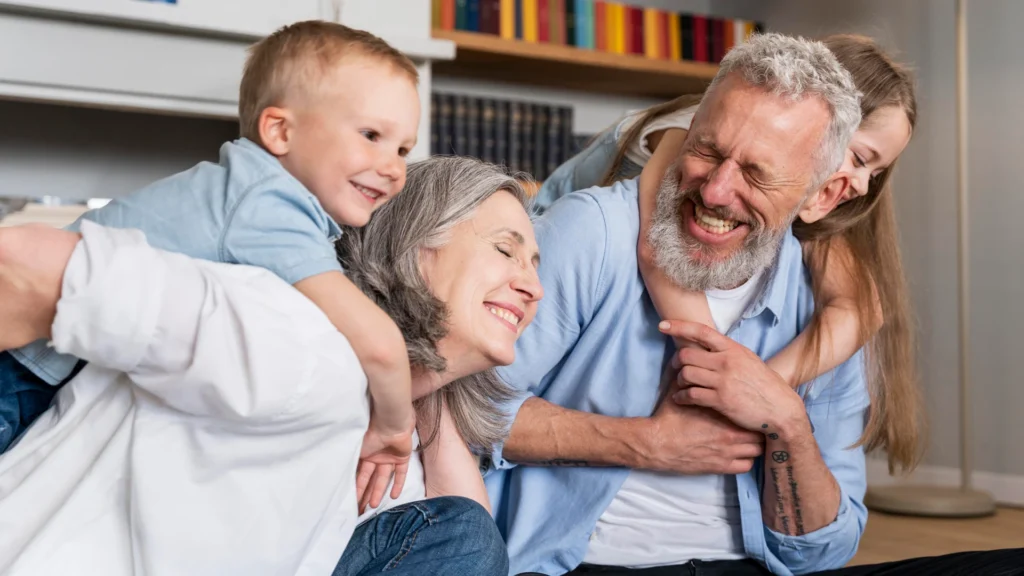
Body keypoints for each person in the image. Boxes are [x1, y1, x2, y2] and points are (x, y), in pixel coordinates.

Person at [485, 33, 1023, 576]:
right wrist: (648, 444)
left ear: (821, 192)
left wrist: (781, 413)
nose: (718, 189)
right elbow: (462, 407)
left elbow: (825, 550)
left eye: (871, 169)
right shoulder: (599, 226)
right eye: (709, 151)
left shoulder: (826, 293)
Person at [0, 156, 539, 576]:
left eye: (536, 265)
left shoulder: (395, 435)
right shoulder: (284, 329)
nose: (532, 285)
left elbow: (467, 538)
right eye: (505, 251)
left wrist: (423, 384)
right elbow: (26, 263)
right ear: (417, 248)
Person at [0, 21, 419, 484]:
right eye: (371, 136)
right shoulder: (269, 205)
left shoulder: (249, 192)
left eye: (403, 149)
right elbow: (379, 346)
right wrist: (396, 427)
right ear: (280, 131)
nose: (393, 168)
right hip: (20, 370)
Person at [537, 34, 921, 473]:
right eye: (858, 157)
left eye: (877, 170)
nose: (862, 183)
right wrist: (716, 387)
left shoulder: (805, 201)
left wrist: (763, 387)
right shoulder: (693, 133)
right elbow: (656, 252)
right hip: (536, 249)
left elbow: (862, 308)